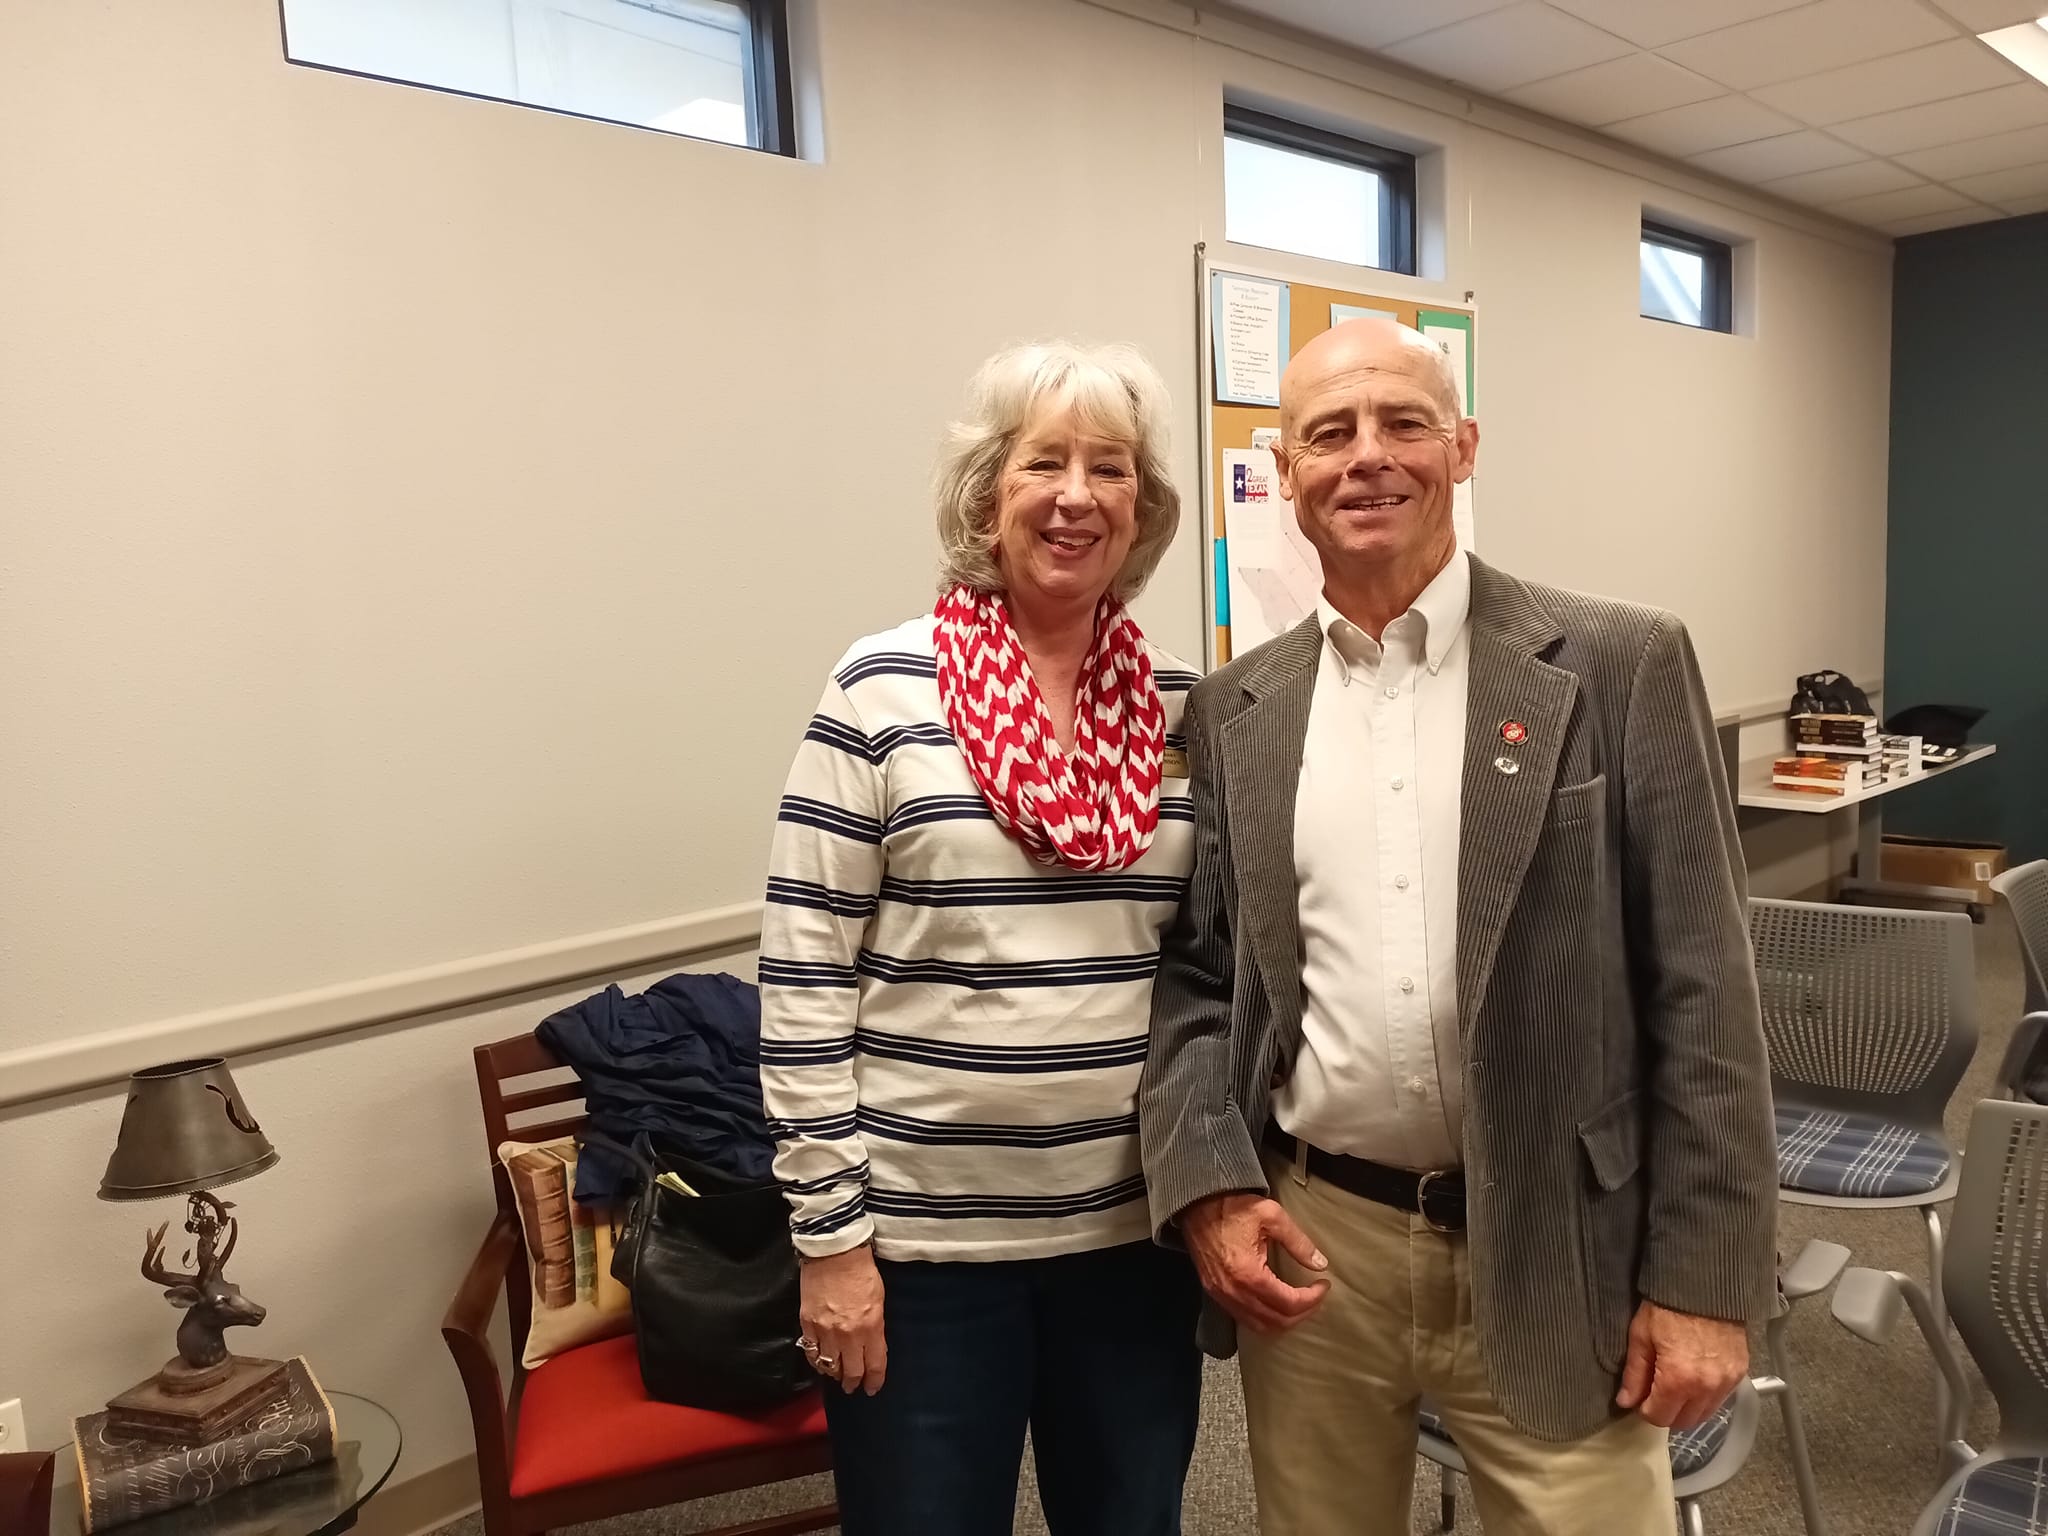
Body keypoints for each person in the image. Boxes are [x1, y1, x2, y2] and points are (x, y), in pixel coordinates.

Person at [1139, 316, 1778, 1534]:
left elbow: (1703, 991)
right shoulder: (1238, 708)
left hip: (1555, 1239)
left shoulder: (1615, 663)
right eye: (1327, 433)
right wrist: (1213, 1187)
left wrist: (1704, 1282)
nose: (1364, 456)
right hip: (1319, 1251)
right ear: (1284, 474)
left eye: (1401, 423)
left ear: (1463, 447)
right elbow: (1203, 981)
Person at [759, 341, 1204, 1535]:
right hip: (918, 1258)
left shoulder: (1184, 712)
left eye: (1107, 467)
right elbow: (802, 985)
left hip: (1130, 1242)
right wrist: (831, 1245)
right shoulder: (877, 692)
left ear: (1140, 507)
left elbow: (1210, 977)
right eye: (1040, 462)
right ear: (984, 494)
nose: (1074, 495)